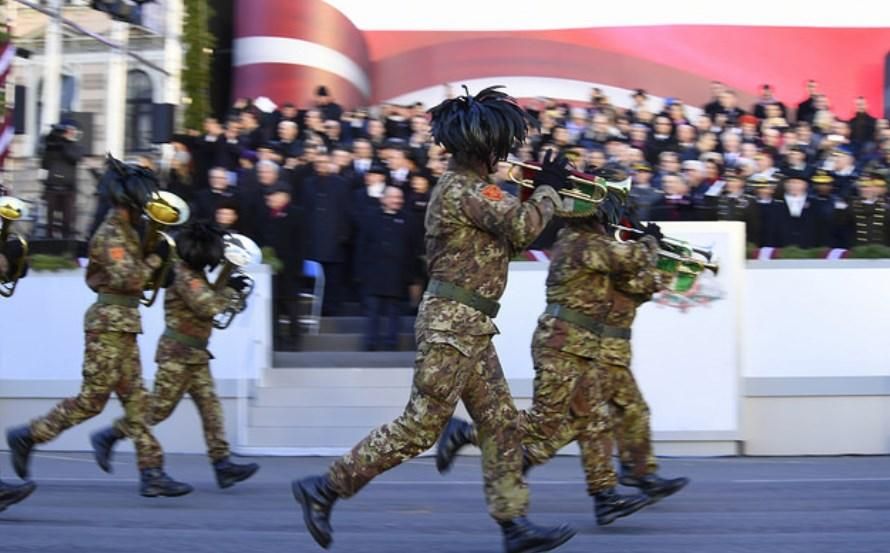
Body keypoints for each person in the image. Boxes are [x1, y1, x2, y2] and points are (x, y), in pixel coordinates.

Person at [290, 86, 575, 553]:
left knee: (501, 422)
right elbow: (524, 227)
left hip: (470, 325)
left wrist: (536, 192)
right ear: (487, 149)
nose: (504, 158)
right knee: (421, 427)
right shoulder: (466, 189)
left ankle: (513, 523)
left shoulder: (470, 189)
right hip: (453, 325)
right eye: (500, 150)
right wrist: (546, 189)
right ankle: (325, 488)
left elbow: (512, 234)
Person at [436, 166, 665, 527]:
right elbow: (630, 259)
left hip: (579, 344)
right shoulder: (582, 242)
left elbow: (631, 276)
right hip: (561, 343)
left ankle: (604, 496)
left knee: (594, 420)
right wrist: (650, 242)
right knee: (543, 423)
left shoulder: (587, 240)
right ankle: (465, 432)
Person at [6, 156, 192, 497]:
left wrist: (158, 255)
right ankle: (29, 435)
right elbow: (131, 277)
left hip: (124, 325)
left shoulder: (129, 231)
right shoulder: (110, 235)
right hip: (107, 325)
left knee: (137, 399)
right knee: (92, 401)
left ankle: (152, 472)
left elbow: (144, 282)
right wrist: (156, 257)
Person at [89, 222, 260, 489]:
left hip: (196, 353)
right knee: (158, 410)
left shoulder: (195, 271)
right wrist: (231, 291)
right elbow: (207, 306)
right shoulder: (183, 274)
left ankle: (222, 464)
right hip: (177, 354)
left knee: (211, 409)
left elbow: (212, 301)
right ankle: (110, 435)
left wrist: (230, 288)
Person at [359, 186, 415, 351]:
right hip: (374, 271)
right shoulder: (371, 217)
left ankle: (392, 342)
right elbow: (362, 245)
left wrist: (409, 274)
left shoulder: (408, 219)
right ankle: (371, 341)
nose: (396, 200)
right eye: (392, 197)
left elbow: (412, 248)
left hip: (397, 273)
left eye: (399, 197)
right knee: (373, 310)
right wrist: (361, 271)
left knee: (394, 311)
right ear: (383, 199)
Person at [41, 122, 84, 239]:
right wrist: (53, 139)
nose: (69, 133)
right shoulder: (54, 147)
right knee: (49, 220)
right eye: (67, 131)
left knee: (67, 220)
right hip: (52, 187)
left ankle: (65, 243)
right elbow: (45, 163)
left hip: (68, 189)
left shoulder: (77, 147)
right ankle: (48, 240)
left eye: (72, 131)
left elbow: (73, 158)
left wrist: (63, 143)